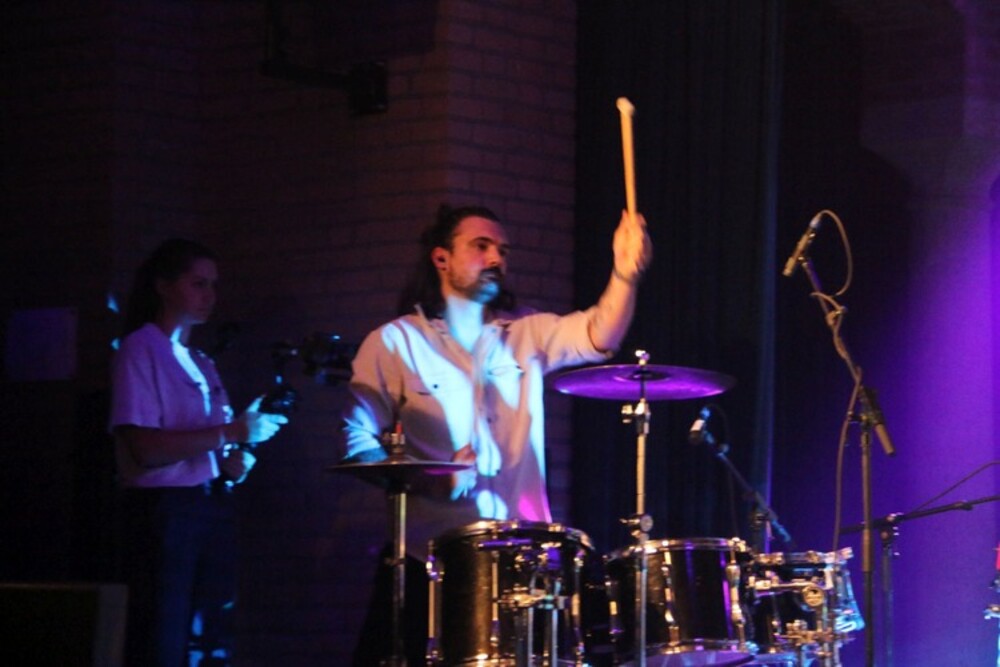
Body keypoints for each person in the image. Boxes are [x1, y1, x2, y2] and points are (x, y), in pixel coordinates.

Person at [341, 204, 652, 665]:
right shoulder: (394, 342)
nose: (495, 259)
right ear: (441, 258)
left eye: (502, 251)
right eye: (481, 246)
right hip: (430, 562)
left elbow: (599, 334)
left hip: (521, 561)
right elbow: (357, 445)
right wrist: (429, 480)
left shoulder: (526, 333)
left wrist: (624, 275)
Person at [109, 238, 288, 667]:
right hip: (165, 511)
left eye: (213, 285)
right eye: (197, 283)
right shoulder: (141, 348)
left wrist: (234, 457)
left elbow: (213, 443)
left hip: (210, 505)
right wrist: (230, 432)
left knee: (210, 634)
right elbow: (144, 448)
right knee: (165, 633)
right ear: (163, 286)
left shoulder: (201, 361)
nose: (209, 295)